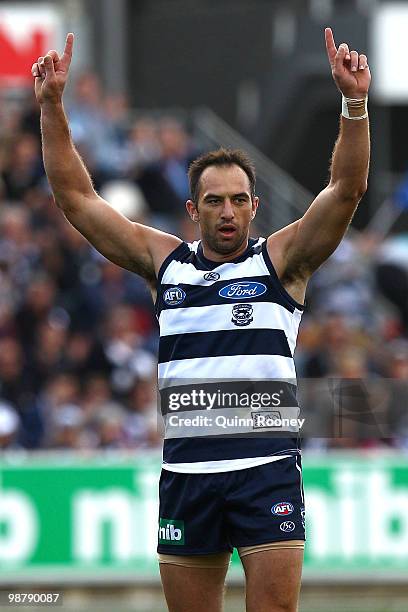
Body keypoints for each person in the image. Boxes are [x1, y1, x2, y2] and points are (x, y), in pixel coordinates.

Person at [32, 27, 370, 612]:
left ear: (255, 207)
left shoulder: (281, 263)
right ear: (193, 210)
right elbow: (77, 200)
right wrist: (52, 108)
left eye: (239, 199)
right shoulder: (164, 264)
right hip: (187, 474)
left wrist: (355, 104)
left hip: (265, 470)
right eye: (214, 201)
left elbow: (346, 190)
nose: (228, 211)